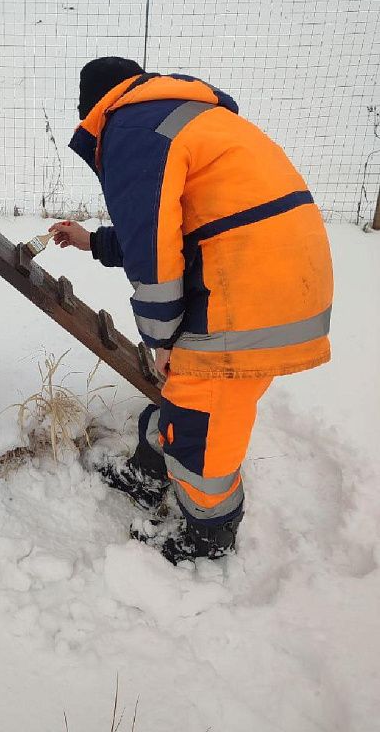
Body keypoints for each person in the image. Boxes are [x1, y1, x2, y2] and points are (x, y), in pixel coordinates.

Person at [50, 57, 333, 564]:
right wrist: (92, 241)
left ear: (92, 108)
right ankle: (147, 475)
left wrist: (162, 340)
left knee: (203, 426)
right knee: (191, 395)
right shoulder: (178, 116)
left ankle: (210, 536)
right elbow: (179, 227)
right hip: (272, 274)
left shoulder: (129, 129)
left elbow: (154, 252)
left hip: (247, 291)